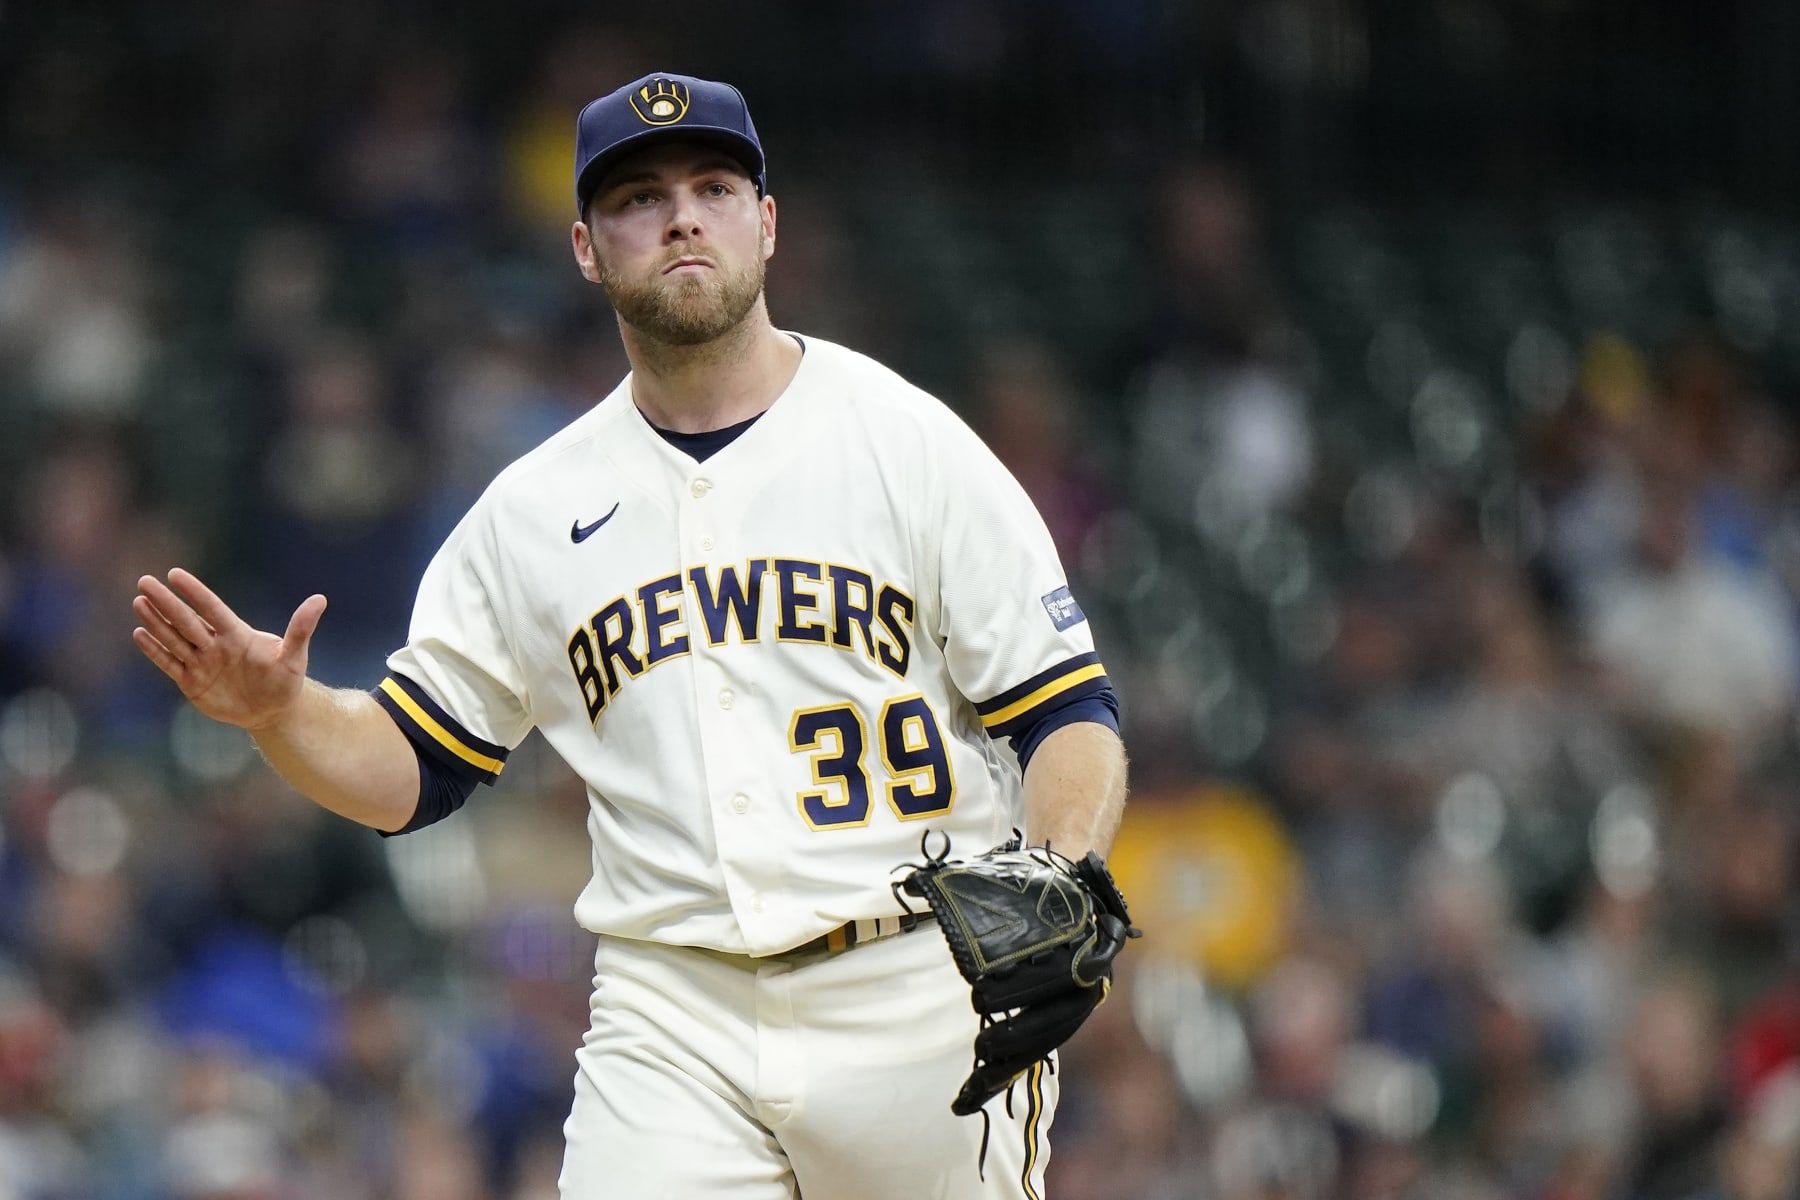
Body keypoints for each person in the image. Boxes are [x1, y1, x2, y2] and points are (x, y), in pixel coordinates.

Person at [131, 71, 1129, 1199]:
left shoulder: (909, 443)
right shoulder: (532, 511)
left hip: (914, 985)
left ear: (766, 224)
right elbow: (413, 767)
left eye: (712, 185)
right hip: (673, 1015)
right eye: (639, 200)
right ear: (586, 250)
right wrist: (281, 715)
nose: (682, 216)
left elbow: (1063, 710)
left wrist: (1061, 868)